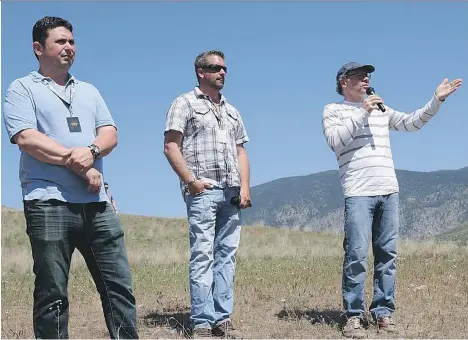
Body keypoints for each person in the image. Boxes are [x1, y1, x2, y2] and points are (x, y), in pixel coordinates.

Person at [3, 16, 138, 339]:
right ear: (39, 48)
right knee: (52, 293)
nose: (69, 48)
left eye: (72, 42)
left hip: (96, 204)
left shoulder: (89, 91)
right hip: (48, 202)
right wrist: (78, 163)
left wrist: (90, 151)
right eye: (60, 41)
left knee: (118, 286)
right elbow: (26, 138)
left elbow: (110, 133)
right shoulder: (22, 89)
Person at [322, 62, 462, 338]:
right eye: (360, 76)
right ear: (343, 81)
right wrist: (362, 112)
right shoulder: (334, 110)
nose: (366, 80)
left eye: (368, 76)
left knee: (387, 254)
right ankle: (353, 316)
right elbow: (336, 141)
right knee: (356, 254)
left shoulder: (380, 111)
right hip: (358, 191)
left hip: (389, 189)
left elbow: (412, 123)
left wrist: (437, 100)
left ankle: (383, 312)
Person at [163, 50, 251, 338]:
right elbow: (171, 146)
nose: (222, 72)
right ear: (200, 71)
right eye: (215, 68)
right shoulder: (184, 103)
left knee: (227, 255)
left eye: (224, 68)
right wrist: (191, 182)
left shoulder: (232, 110)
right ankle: (202, 321)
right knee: (203, 254)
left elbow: (241, 151)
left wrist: (245, 187)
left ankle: (222, 320)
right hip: (204, 191)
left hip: (231, 193)